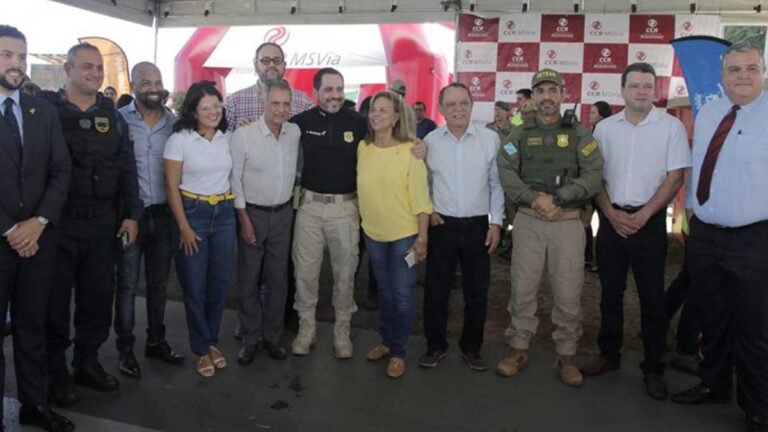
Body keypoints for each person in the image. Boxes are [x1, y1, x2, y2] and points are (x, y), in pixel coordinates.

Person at [290, 68, 425, 358]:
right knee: (305, 272)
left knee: (346, 273)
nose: (335, 95)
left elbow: (391, 138)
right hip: (309, 208)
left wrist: (417, 144)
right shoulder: (299, 123)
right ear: (316, 92)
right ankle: (307, 327)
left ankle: (342, 330)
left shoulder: (360, 123)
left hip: (346, 209)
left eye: (339, 88)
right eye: (328, 89)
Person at [670, 41, 768, 432]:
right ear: (722, 74)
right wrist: (689, 212)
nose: (742, 76)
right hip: (706, 235)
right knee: (712, 317)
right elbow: (701, 167)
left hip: (754, 239)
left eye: (751, 68)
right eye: (734, 70)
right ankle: (714, 384)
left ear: (762, 72)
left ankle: (758, 405)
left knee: (754, 327)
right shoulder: (710, 111)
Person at [580, 63, 690, 401]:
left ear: (654, 91)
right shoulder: (605, 129)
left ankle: (654, 367)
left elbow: (675, 177)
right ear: (623, 90)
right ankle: (609, 356)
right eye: (635, 85)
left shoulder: (670, 127)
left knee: (652, 299)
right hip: (612, 221)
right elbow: (593, 176)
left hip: (650, 222)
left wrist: (644, 215)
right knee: (609, 295)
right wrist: (610, 213)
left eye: (647, 85)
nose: (641, 91)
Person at [41, 43, 141, 402]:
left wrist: (132, 213)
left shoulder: (112, 116)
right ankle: (55, 371)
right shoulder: (48, 112)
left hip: (102, 223)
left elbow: (127, 167)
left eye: (98, 68)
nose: (95, 74)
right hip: (58, 224)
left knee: (97, 298)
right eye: (87, 67)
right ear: (67, 70)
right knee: (54, 301)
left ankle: (87, 362)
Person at [495, 69, 603, 387]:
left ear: (562, 94)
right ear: (533, 97)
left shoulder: (579, 134)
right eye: (540, 91)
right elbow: (506, 168)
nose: (546, 97)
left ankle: (566, 355)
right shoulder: (520, 132)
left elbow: (594, 173)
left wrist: (558, 197)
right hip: (529, 220)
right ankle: (518, 348)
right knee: (523, 288)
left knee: (568, 291)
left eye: (552, 91)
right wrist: (534, 198)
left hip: (567, 220)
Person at [0, 24, 74, 432]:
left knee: (33, 326)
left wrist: (38, 222)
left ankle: (35, 404)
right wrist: (12, 229)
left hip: (39, 239)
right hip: (5, 239)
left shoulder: (40, 110)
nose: (16, 64)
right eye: (7, 55)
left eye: (22, 56)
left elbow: (61, 170)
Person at [420, 83, 504, 372]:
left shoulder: (489, 139)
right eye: (451, 104)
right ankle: (435, 345)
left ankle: (472, 347)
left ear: (472, 105)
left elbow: (496, 185)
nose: (458, 109)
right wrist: (428, 211)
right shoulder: (430, 141)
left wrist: (496, 222)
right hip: (441, 225)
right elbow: (424, 184)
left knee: (477, 291)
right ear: (441, 109)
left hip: (478, 227)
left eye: (463, 103)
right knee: (436, 290)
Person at [113, 62, 184, 380]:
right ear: (132, 85)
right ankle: (125, 349)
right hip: (132, 218)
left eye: (157, 81)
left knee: (158, 285)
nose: (153, 87)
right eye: (145, 82)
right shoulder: (118, 120)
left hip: (165, 217)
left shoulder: (175, 124)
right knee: (126, 286)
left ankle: (156, 340)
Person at [359, 90, 432, 379]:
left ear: (397, 118)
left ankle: (399, 351)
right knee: (386, 294)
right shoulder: (363, 149)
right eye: (374, 109)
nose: (377, 114)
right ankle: (386, 340)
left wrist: (422, 238)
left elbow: (421, 200)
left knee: (402, 296)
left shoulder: (410, 151)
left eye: (384, 110)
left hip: (404, 235)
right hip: (373, 235)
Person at [164, 81, 234, 378]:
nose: (212, 112)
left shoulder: (228, 137)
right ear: (193, 110)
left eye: (217, 106)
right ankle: (200, 348)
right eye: (205, 107)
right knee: (194, 286)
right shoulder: (179, 140)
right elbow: (170, 186)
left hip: (225, 215)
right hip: (193, 214)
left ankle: (211, 341)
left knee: (219, 286)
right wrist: (183, 226)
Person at [230, 80, 299, 365]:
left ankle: (272, 337)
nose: (280, 110)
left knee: (278, 280)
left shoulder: (294, 132)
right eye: (275, 103)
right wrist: (243, 219)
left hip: (283, 215)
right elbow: (235, 180)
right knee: (247, 280)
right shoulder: (244, 135)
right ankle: (250, 338)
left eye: (285, 104)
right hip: (252, 215)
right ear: (262, 103)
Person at [223, 42, 313, 131]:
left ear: (284, 65)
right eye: (265, 60)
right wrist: (238, 133)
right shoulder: (234, 102)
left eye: (277, 60)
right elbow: (222, 139)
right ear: (256, 66)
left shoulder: (304, 103)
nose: (272, 65)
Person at [582, 100, 612, 272]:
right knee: (587, 222)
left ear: (601, 115)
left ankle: (596, 261)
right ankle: (589, 259)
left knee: (600, 224)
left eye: (593, 113)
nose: (589, 115)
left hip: (602, 186)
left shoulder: (604, 132)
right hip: (594, 184)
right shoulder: (594, 132)